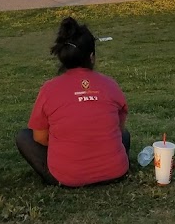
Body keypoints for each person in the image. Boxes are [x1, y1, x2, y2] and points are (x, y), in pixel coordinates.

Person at [16, 17, 130, 187]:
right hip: (115, 172)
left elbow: (39, 138)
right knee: (124, 135)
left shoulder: (49, 89)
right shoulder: (110, 85)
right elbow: (119, 129)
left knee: (24, 137)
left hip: (68, 177)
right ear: (91, 57)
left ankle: (68, 170)